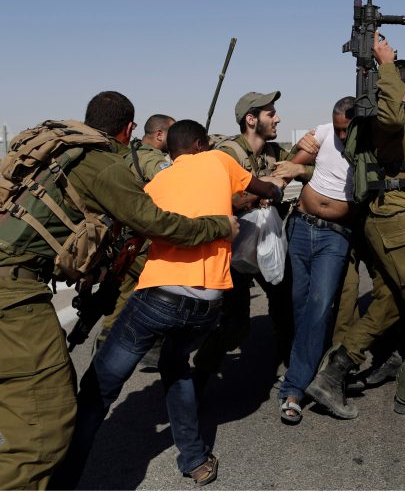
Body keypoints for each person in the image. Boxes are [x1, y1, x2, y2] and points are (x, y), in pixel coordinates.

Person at [0, 92, 237, 490]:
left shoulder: (58, 156)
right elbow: (156, 224)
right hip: (14, 293)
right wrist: (218, 227)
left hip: (20, 283)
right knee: (46, 432)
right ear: (129, 130)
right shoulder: (105, 165)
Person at [52, 120, 283, 488]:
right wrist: (274, 190)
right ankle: (194, 460)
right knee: (176, 366)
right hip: (208, 304)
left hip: (159, 297)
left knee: (101, 388)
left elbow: (138, 226)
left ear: (170, 150)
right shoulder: (220, 162)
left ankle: (62, 478)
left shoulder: (155, 183)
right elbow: (262, 187)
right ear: (201, 144)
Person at [306, 32, 405, 418]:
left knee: (389, 301)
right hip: (395, 220)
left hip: (388, 218)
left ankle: (333, 374)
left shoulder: (390, 119)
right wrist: (384, 63)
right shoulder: (385, 117)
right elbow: (391, 116)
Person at [193, 91, 308, 393]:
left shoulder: (271, 152)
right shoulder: (227, 154)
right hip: (231, 247)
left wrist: (305, 151)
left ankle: (289, 366)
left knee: (285, 302)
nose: (278, 118)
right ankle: (197, 379)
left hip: (264, 242)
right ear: (251, 119)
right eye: (271, 113)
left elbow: (294, 163)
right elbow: (222, 200)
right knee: (235, 325)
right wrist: (265, 190)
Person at [270, 97, 355, 424]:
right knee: (299, 303)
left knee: (320, 305)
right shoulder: (321, 133)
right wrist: (271, 188)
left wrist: (303, 169)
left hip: (336, 235)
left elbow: (306, 169)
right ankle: (303, 365)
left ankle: (293, 388)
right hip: (302, 227)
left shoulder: (370, 147)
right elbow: (289, 170)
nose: (341, 136)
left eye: (346, 130)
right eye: (337, 129)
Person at [95, 114, 176, 352]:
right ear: (160, 135)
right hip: (143, 243)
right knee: (167, 292)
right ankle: (154, 345)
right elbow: (175, 184)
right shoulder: (153, 159)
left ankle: (104, 347)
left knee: (121, 297)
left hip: (121, 241)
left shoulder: (126, 154)